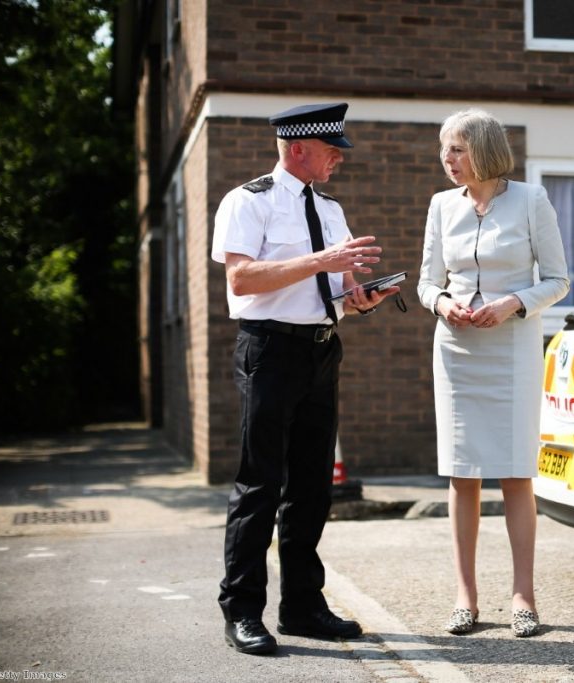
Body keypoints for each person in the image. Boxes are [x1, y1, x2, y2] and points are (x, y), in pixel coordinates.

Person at [211, 102, 399, 655]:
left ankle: (302, 606)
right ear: (298, 149)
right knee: (259, 484)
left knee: (313, 487)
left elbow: (336, 294)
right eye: (330, 148)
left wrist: (365, 299)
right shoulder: (248, 201)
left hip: (321, 351)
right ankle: (243, 611)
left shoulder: (331, 209)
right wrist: (323, 260)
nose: (339, 157)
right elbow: (242, 279)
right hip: (268, 350)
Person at [417, 109, 570, 638]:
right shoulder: (440, 205)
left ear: (482, 149)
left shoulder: (531, 200)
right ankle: (466, 598)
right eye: (444, 149)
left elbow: (558, 281)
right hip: (457, 349)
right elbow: (425, 283)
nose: (446, 159)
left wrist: (514, 304)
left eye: (456, 148)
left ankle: (523, 597)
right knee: (462, 475)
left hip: (512, 349)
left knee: (514, 473)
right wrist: (442, 304)